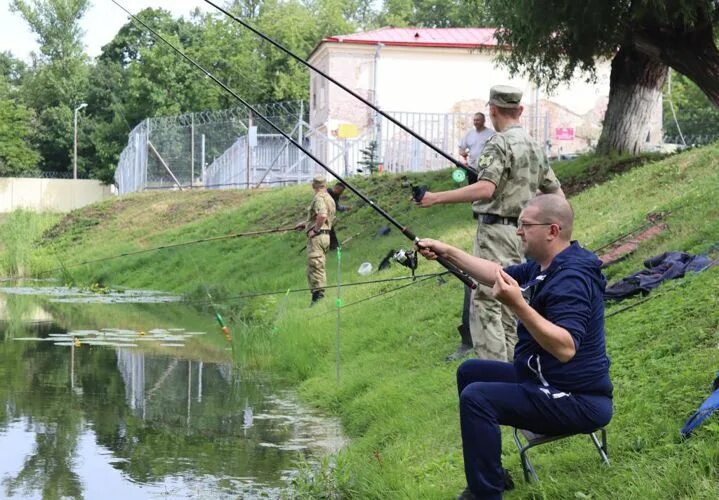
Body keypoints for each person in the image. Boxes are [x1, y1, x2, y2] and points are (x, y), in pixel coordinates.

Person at [417, 194, 613, 500]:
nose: (518, 231)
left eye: (525, 225)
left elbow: (565, 348)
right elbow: (496, 274)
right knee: (470, 372)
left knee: (477, 397)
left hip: (577, 399)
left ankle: (485, 494)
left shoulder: (571, 279)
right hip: (546, 381)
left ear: (552, 230)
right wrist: (448, 251)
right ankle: (493, 476)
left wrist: (519, 305)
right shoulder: (545, 266)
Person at [417, 85, 563, 363]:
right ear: (519, 110)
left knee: (486, 301)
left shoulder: (498, 143)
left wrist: (435, 198)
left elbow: (485, 189)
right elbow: (557, 195)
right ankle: (516, 371)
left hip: (495, 233)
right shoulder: (534, 146)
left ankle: (497, 376)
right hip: (524, 236)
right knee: (512, 302)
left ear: (492, 110)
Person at [295, 175, 336, 305]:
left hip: (318, 237)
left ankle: (318, 298)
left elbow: (322, 215)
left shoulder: (319, 197)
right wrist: (306, 224)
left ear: (314, 186)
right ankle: (318, 296)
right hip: (326, 236)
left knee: (316, 265)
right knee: (319, 264)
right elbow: (323, 217)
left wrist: (315, 229)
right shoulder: (329, 198)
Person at [327, 182, 351, 250]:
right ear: (335, 188)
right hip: (322, 215)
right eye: (340, 190)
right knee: (329, 233)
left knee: (331, 233)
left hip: (328, 217)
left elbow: (337, 207)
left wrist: (345, 208)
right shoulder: (327, 192)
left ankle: (333, 247)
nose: (341, 192)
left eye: (342, 191)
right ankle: (333, 247)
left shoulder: (336, 196)